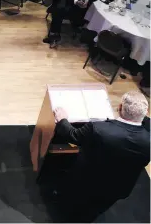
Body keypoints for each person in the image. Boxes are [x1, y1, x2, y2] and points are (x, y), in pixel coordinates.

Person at [53, 91, 150, 222]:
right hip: (119, 187)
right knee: (96, 209)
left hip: (87, 180)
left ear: (120, 107)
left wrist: (62, 119)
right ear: (146, 112)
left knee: (75, 204)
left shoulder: (98, 129)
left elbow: (72, 135)